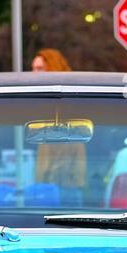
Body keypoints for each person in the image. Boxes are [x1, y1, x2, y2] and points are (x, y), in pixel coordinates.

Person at [29, 48, 85, 201]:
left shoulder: (67, 100)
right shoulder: (40, 100)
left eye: (40, 68)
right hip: (46, 185)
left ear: (52, 68)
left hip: (66, 186)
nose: (34, 73)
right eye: (33, 68)